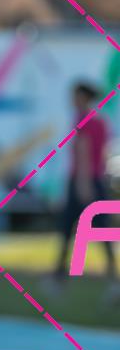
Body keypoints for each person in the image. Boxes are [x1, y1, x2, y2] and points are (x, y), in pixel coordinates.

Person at [53, 81, 117, 291]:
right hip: (96, 179)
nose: (72, 99)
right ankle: (112, 279)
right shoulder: (101, 120)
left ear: (83, 97)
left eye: (74, 95)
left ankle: (58, 279)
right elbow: (103, 152)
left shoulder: (83, 118)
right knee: (102, 229)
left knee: (67, 228)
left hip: (82, 180)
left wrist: (83, 183)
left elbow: (83, 150)